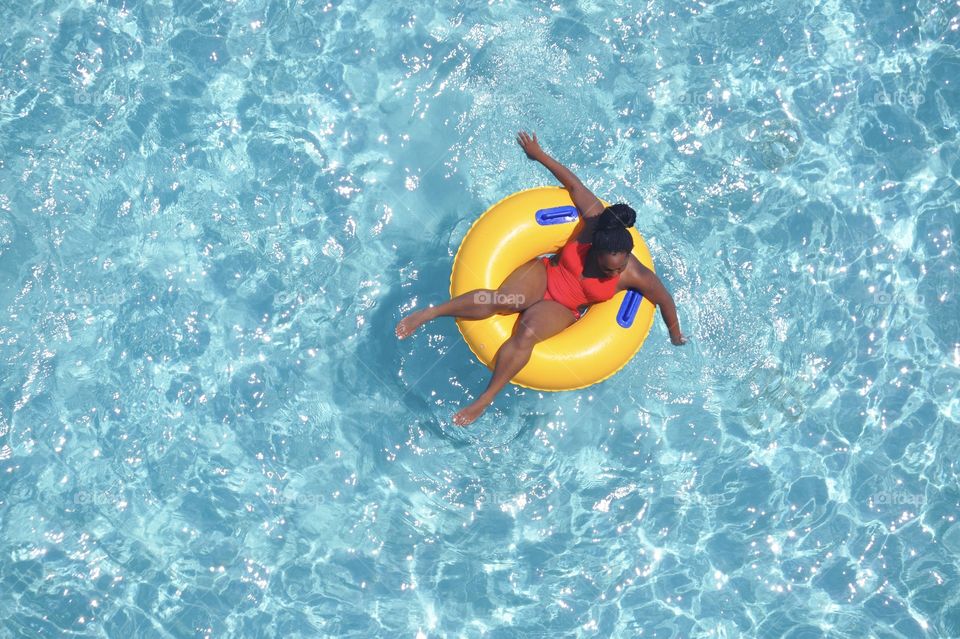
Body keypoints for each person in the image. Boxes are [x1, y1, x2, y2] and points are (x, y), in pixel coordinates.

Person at [396, 131, 687, 426]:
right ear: (596, 248)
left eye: (618, 268)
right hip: (545, 273)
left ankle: (485, 399)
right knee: (502, 300)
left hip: (564, 308)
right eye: (607, 267)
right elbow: (574, 184)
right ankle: (430, 313)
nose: (614, 273)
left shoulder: (633, 273)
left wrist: (675, 335)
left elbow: (664, 299)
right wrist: (538, 154)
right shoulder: (594, 222)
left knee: (527, 333)